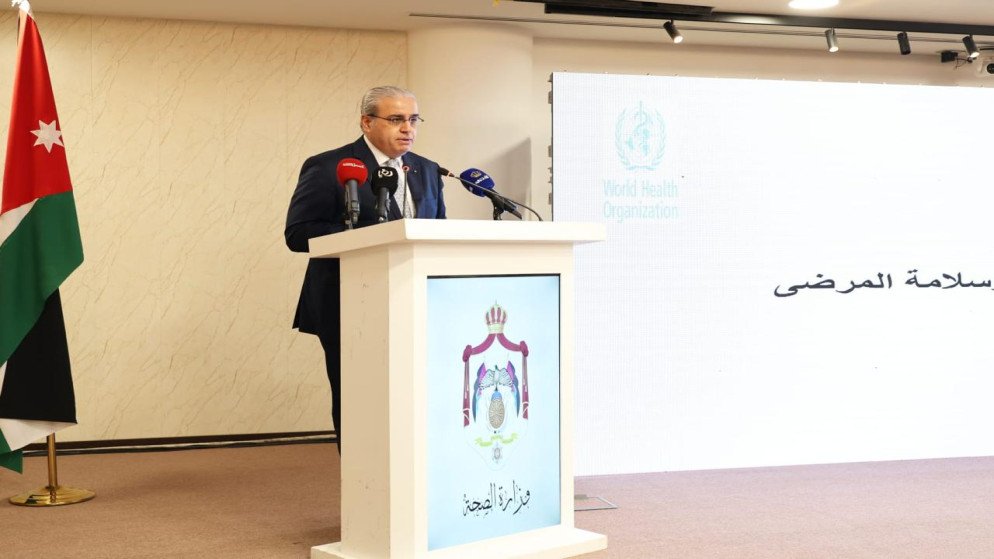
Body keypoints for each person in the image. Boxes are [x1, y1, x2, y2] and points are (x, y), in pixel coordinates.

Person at [284, 85, 446, 452]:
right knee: (357, 396)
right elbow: (297, 234)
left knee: (414, 395)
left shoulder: (427, 169)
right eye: (396, 119)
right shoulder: (329, 166)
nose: (408, 128)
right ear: (366, 122)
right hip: (347, 302)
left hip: (413, 302)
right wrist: (363, 237)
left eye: (414, 119)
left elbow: (435, 232)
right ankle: (360, 477)